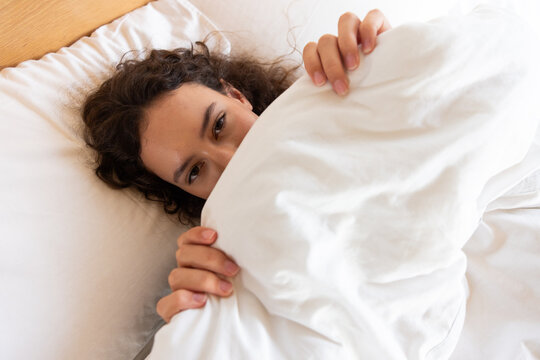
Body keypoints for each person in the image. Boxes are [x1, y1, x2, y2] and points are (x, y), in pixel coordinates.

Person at [82, 10, 391, 323]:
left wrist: (384, 63)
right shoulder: (225, 265)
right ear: (187, 193)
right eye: (194, 172)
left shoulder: (345, 107)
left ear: (236, 95)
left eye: (219, 125)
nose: (230, 161)